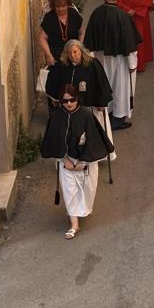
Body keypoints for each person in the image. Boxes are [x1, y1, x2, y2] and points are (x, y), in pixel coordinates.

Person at [40, 85, 114, 239]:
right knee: (69, 192)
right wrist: (63, 160)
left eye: (72, 100)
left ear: (77, 99)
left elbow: (94, 140)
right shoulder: (56, 117)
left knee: (87, 191)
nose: (68, 104)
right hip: (66, 162)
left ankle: (82, 212)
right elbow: (53, 141)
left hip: (85, 161)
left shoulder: (87, 115)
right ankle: (74, 224)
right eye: (65, 101)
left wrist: (83, 162)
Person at [83, 0, 142, 130]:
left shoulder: (96, 14)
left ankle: (104, 114)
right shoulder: (123, 16)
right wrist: (132, 64)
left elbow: (89, 41)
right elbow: (130, 44)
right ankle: (118, 117)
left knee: (104, 84)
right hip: (120, 60)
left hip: (100, 58)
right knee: (120, 87)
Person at [45, 40, 113, 140]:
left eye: (75, 51)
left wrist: (101, 103)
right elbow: (53, 82)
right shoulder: (61, 66)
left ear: (81, 51)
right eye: (69, 52)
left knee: (93, 135)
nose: (72, 55)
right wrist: (55, 99)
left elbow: (101, 83)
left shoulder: (93, 64)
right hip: (70, 108)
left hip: (90, 108)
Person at [110, 0, 154, 73]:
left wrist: (140, 10)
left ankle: (140, 64)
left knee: (140, 39)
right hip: (123, 13)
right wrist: (125, 9)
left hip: (139, 13)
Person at [39, 0, 83, 66]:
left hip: (74, 54)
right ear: (54, 6)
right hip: (56, 57)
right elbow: (42, 38)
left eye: (63, 6)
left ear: (68, 5)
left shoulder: (74, 14)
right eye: (58, 6)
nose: (61, 9)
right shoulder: (49, 17)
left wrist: (79, 47)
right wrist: (48, 55)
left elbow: (81, 33)